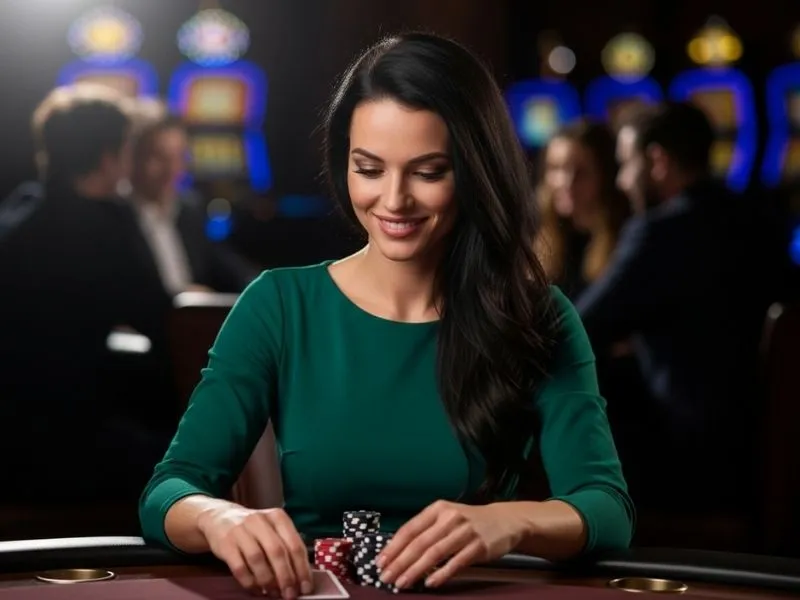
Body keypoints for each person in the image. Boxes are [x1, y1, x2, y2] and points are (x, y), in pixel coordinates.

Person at [139, 33, 633, 596]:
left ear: (474, 171)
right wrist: (220, 517)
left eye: (428, 172)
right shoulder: (278, 305)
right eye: (369, 168)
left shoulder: (535, 314)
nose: (393, 200)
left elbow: (606, 508)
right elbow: (168, 491)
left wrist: (507, 520)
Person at [575, 101, 777, 510]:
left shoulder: (660, 232)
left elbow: (576, 330)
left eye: (627, 165)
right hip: (762, 453)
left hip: (687, 462)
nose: (623, 180)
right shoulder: (760, 220)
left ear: (658, 161)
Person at [0, 83, 172, 502]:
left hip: (9, 433)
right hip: (67, 440)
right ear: (109, 158)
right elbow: (161, 321)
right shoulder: (104, 227)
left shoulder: (17, 213)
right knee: (197, 456)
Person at [128, 99, 259, 297]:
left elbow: (226, 266)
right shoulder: (114, 217)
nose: (171, 169)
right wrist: (179, 297)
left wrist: (267, 289)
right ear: (130, 157)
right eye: (158, 157)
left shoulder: (188, 208)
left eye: (178, 157)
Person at [534, 119, 630, 299]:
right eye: (556, 169)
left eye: (581, 171)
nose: (566, 182)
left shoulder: (626, 236)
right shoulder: (539, 232)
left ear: (605, 174)